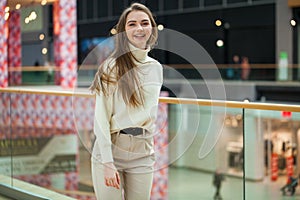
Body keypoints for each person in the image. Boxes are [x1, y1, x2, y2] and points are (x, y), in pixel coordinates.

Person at [89, 3, 163, 200]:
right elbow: (101, 117)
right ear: (124, 31)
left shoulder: (156, 68)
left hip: (143, 150)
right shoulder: (111, 67)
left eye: (144, 23)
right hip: (112, 149)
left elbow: (149, 113)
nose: (139, 28)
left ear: (152, 28)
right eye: (132, 24)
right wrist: (107, 161)